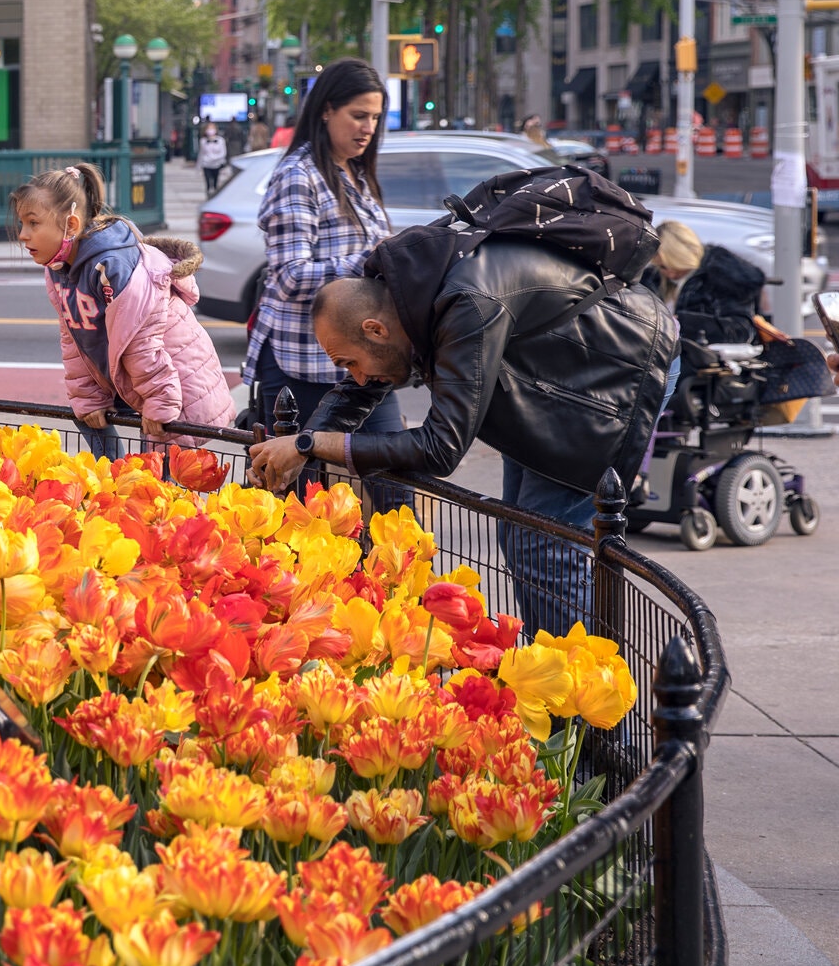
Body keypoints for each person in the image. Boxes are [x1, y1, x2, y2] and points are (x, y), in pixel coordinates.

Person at [248, 237, 677, 639]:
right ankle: (556, 672)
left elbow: (439, 448)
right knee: (523, 536)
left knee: (543, 547)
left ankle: (581, 696)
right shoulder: (407, 296)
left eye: (349, 361)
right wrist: (303, 441)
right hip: (548, 378)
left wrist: (308, 445)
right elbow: (366, 386)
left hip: (620, 371)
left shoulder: (464, 304)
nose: (356, 376)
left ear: (375, 329)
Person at [239, 60, 408, 508]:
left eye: (375, 117)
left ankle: (389, 577)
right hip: (305, 368)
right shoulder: (299, 175)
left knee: (397, 493)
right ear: (327, 111)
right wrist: (371, 259)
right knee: (296, 506)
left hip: (363, 366)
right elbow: (292, 275)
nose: (368, 127)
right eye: (358, 115)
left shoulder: (354, 172)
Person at [15, 164, 232, 460]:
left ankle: (123, 485)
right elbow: (76, 339)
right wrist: (90, 400)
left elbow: (139, 342)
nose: (23, 235)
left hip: (171, 378)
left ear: (72, 225)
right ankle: (113, 479)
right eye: (21, 224)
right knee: (88, 417)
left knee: (160, 482)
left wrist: (159, 403)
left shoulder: (113, 266)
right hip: (140, 378)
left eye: (33, 223)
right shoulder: (59, 268)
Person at [639, 220, 704, 305]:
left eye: (675, 266)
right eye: (662, 267)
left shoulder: (715, 288)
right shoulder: (649, 284)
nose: (671, 274)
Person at [196, 123, 228, 197]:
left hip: (216, 164)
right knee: (207, 182)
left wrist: (214, 158)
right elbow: (201, 154)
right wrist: (198, 166)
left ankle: (214, 197)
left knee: (215, 182)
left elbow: (223, 153)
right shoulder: (203, 141)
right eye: (208, 129)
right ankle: (208, 197)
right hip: (206, 164)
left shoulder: (220, 140)